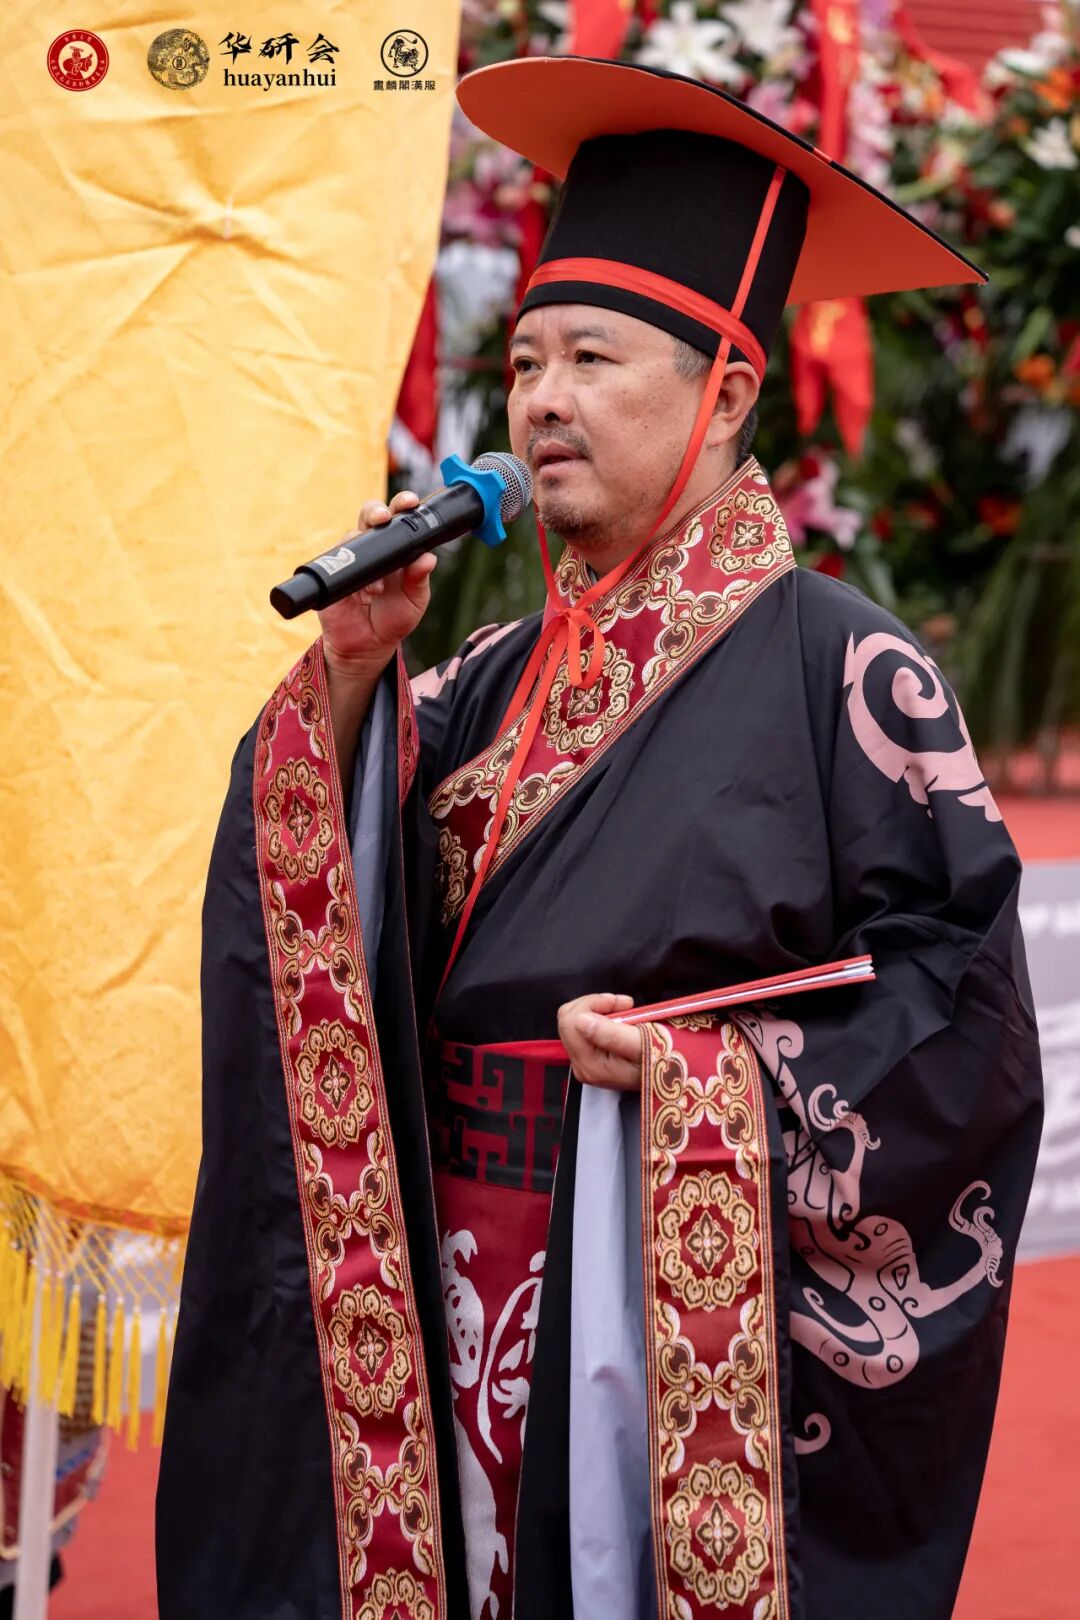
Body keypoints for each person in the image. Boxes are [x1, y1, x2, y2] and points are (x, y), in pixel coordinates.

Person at [156, 56, 1043, 1620]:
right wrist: (353, 683)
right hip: (439, 1286)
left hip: (642, 1302)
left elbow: (961, 1024)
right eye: (524, 362)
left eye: (593, 359)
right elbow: (318, 931)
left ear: (728, 392)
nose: (543, 401)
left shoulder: (851, 671)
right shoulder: (481, 676)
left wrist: (708, 1070)